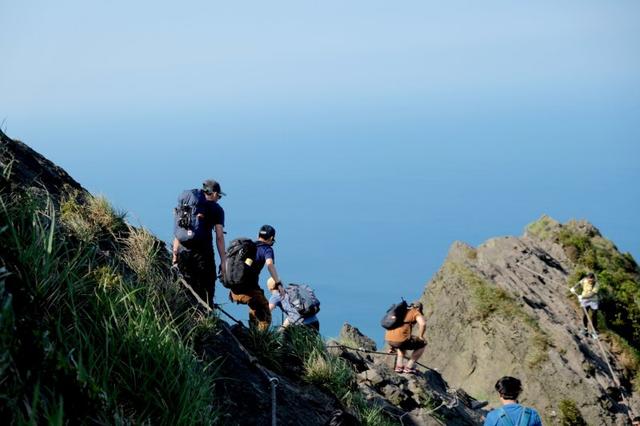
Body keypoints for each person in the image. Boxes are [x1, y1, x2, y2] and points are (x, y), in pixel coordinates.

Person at [172, 179, 226, 306]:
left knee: (185, 287)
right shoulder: (216, 209)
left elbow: (178, 232)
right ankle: (206, 316)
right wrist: (223, 261)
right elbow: (219, 237)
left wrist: (175, 257)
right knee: (206, 288)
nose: (218, 199)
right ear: (213, 193)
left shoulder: (186, 206)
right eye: (219, 196)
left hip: (183, 252)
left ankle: (186, 314)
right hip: (203, 255)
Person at [228, 224, 279, 330]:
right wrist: (278, 283)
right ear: (271, 238)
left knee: (256, 303)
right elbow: (270, 265)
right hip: (248, 291)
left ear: (258, 235)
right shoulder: (267, 249)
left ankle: (252, 333)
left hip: (234, 290)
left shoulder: (248, 247)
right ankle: (258, 341)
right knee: (265, 315)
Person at [384, 301, 426, 374]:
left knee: (402, 343)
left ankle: (399, 367)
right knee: (423, 344)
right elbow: (423, 324)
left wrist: (392, 347)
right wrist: (421, 336)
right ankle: (409, 367)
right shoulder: (415, 312)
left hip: (389, 339)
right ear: (418, 308)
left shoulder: (400, 312)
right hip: (399, 341)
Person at [570, 272, 600, 338]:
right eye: (589, 280)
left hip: (593, 301)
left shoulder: (596, 284)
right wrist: (574, 288)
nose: (590, 282)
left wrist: (582, 297)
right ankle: (585, 329)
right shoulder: (584, 280)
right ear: (587, 278)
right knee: (585, 315)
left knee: (594, 316)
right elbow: (579, 284)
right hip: (585, 300)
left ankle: (595, 331)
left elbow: (592, 294)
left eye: (592, 280)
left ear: (594, 279)